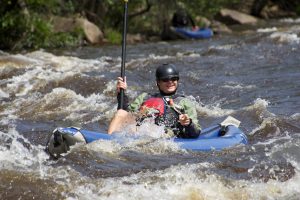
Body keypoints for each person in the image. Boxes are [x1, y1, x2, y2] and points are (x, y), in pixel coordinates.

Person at [107, 63, 201, 138]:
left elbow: (196, 132)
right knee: (120, 113)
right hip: (140, 130)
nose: (170, 82)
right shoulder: (145, 97)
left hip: (165, 135)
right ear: (158, 83)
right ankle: (109, 140)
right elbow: (126, 115)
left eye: (174, 79)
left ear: (177, 81)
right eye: (165, 79)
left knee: (148, 129)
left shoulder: (185, 102)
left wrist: (188, 123)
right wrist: (121, 93)